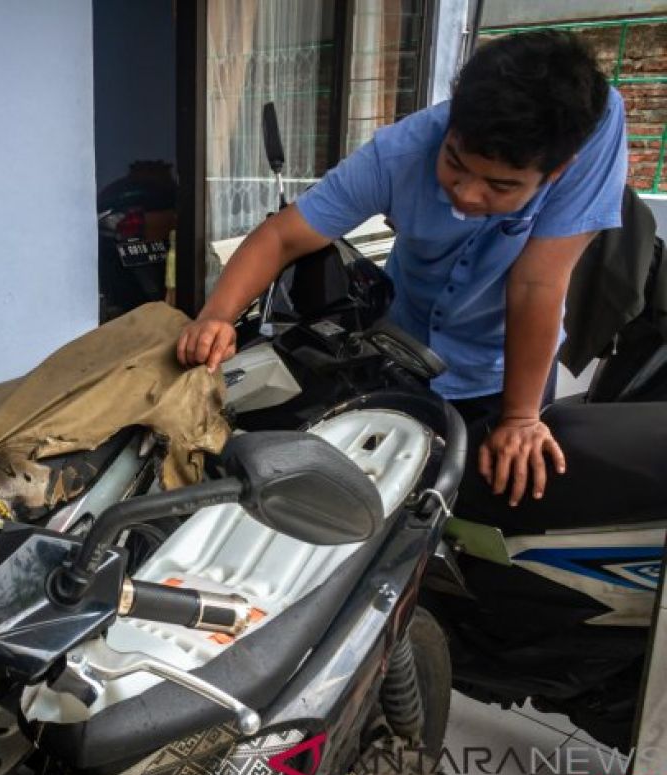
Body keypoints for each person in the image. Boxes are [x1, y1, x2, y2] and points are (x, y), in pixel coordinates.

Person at [177, 30, 627, 508]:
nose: (468, 193)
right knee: (385, 501)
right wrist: (216, 316)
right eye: (454, 163)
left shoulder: (587, 131)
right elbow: (282, 236)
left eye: (500, 186)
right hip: (404, 350)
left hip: (507, 367)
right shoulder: (398, 153)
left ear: (556, 172)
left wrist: (519, 418)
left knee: (488, 504)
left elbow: (536, 283)